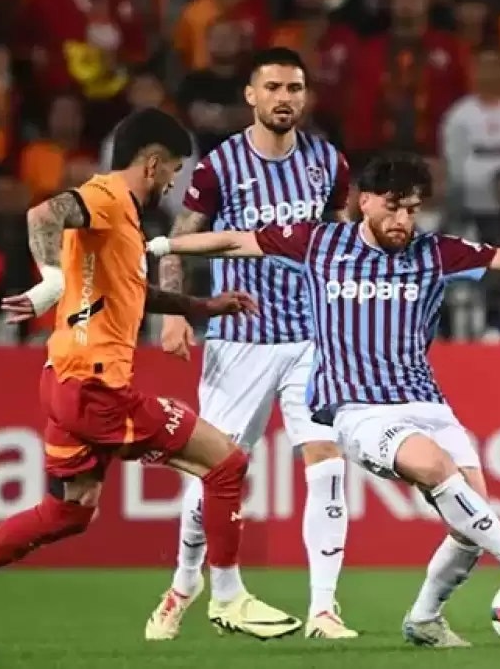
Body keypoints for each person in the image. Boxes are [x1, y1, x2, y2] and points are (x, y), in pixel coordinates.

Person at [147, 151, 500, 647]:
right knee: (435, 467)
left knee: (472, 515)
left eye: (413, 209)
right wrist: (166, 246)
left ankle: (424, 617)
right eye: (394, 207)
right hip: (357, 408)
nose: (403, 220)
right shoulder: (319, 243)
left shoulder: (434, 252)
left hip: (426, 401)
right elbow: (234, 242)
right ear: (365, 201)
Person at [0, 108, 301, 658]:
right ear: (153, 163)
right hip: (98, 390)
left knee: (71, 510)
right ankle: (229, 598)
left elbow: (133, 290)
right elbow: (44, 214)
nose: (173, 182)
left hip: (64, 380)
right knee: (227, 463)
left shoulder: (122, 220)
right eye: (174, 170)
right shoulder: (107, 198)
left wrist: (202, 306)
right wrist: (50, 281)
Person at [150, 46, 357, 641]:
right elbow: (180, 238)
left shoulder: (328, 162)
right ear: (251, 96)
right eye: (273, 88)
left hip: (312, 339)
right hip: (240, 340)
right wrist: (175, 313)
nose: (284, 98)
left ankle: (324, 609)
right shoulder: (219, 166)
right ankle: (183, 584)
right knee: (214, 470)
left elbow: (341, 240)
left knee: (327, 461)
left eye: (294, 88)